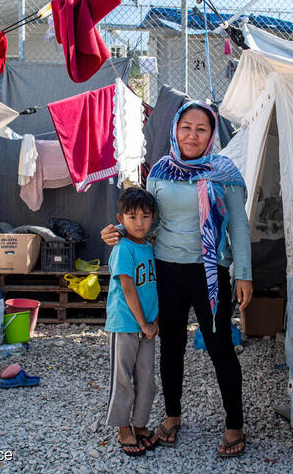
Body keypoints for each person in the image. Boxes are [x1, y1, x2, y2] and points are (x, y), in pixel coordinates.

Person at [101, 101, 253, 458]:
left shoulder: (224, 171)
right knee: (170, 347)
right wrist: (118, 231)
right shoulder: (160, 172)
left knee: (219, 348)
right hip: (165, 271)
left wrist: (244, 273)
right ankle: (172, 415)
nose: (192, 135)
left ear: (212, 133)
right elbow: (148, 219)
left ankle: (234, 424)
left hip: (210, 272)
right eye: (186, 127)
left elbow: (238, 225)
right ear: (175, 129)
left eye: (201, 129)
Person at [104, 187, 160, 457]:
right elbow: (128, 289)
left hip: (147, 326)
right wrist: (144, 324)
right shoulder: (122, 249)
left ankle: (140, 424)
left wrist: (154, 321)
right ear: (121, 219)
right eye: (132, 217)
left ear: (154, 218)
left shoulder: (150, 247)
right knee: (123, 378)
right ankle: (123, 427)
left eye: (145, 217)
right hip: (125, 325)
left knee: (147, 379)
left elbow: (153, 289)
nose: (139, 223)